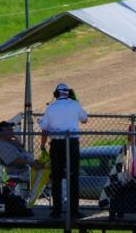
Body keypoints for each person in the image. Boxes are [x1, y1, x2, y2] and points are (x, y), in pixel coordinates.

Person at [39, 83, 88, 219]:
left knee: (56, 177)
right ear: (69, 93)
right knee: (74, 177)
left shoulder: (51, 107)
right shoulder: (75, 104)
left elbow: (44, 127)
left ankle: (56, 210)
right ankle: (74, 211)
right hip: (72, 143)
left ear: (56, 94)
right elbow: (84, 119)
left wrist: (43, 146)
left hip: (57, 144)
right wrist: (76, 100)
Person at [0, 121, 43, 196]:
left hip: (28, 167)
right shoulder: (1, 145)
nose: (12, 132)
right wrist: (32, 164)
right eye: (9, 130)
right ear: (1, 133)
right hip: (19, 171)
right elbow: (15, 160)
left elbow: (21, 150)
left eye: (12, 130)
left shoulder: (10, 141)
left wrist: (16, 140)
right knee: (48, 175)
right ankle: (40, 193)